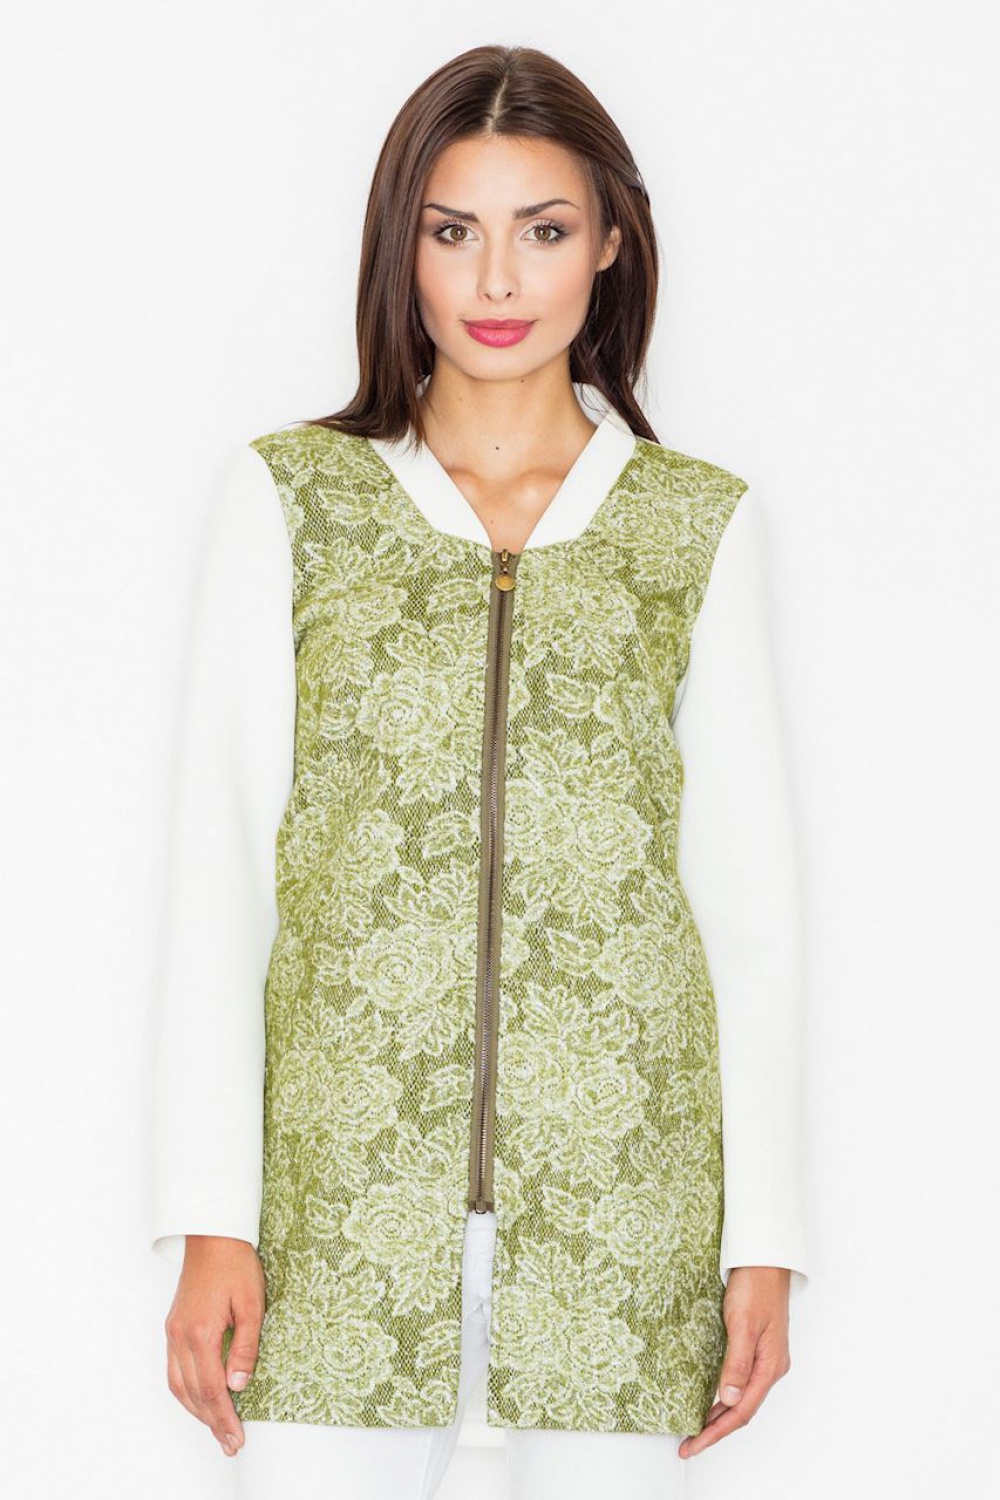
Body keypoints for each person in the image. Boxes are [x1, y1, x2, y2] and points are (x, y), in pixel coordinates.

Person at [150, 42, 810, 1500]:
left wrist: (764, 1235)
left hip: (624, 1212)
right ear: (404, 244)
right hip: (334, 1214)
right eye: (455, 231)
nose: (498, 280)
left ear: (611, 242)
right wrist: (209, 1214)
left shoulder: (694, 526)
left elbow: (747, 909)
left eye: (545, 230)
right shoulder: (294, 501)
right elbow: (219, 869)